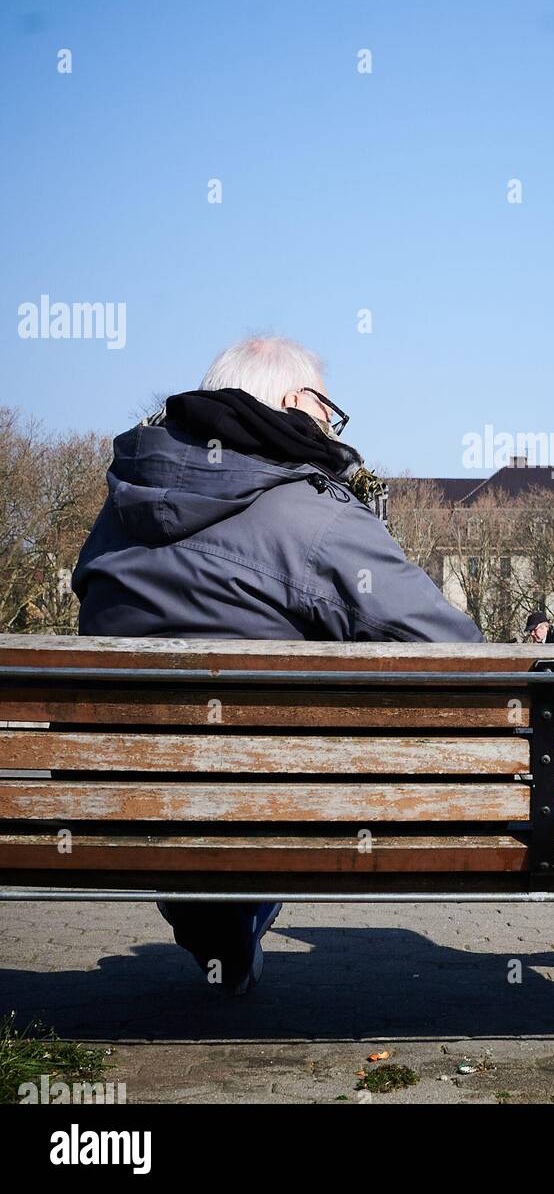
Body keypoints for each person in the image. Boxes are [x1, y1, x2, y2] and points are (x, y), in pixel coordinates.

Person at [72, 335, 482, 995]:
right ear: (298, 401)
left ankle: (211, 914)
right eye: (328, 409)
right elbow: (451, 651)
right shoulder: (313, 514)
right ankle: (225, 909)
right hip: (269, 794)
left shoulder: (118, 510)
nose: (330, 424)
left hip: (114, 794)